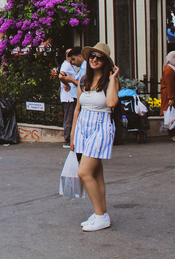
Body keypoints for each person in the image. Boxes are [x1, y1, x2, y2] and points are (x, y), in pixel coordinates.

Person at [69, 43, 120, 232]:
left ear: (105, 61)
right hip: (83, 126)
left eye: (99, 57)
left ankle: (100, 216)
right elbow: (77, 109)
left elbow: (112, 103)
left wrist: (114, 78)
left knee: (84, 173)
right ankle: (101, 213)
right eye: (92, 56)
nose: (94, 59)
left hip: (100, 126)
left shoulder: (109, 81)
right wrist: (73, 134)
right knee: (97, 175)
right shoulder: (83, 80)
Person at [59, 48, 78, 148]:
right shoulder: (66, 65)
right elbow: (61, 76)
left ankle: (69, 137)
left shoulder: (70, 65)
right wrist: (67, 84)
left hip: (71, 96)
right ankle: (67, 139)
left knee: (70, 116)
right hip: (68, 96)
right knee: (69, 117)